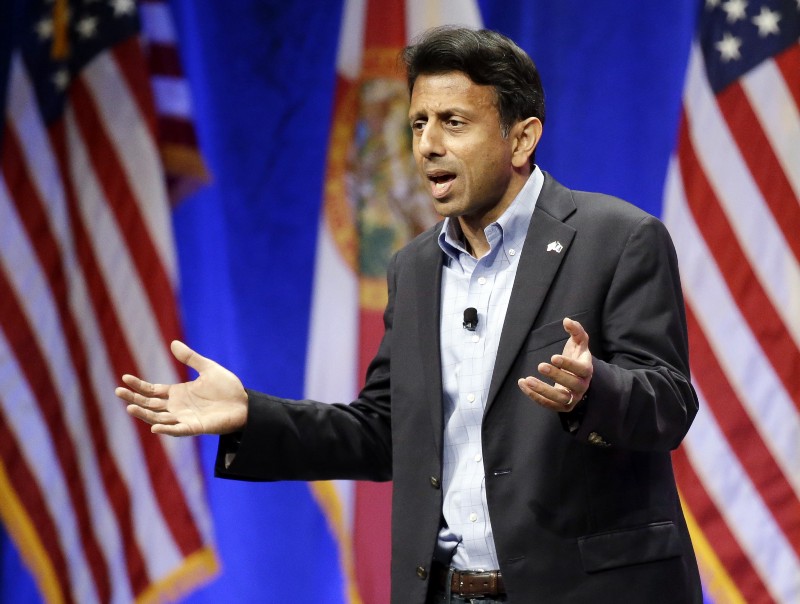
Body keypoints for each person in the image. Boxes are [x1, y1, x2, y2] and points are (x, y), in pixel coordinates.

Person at [117, 26, 702, 604]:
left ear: (521, 140)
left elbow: (671, 404)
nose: (427, 145)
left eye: (454, 122)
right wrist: (252, 416)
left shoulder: (618, 239)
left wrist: (593, 388)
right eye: (419, 123)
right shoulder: (415, 268)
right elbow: (383, 430)